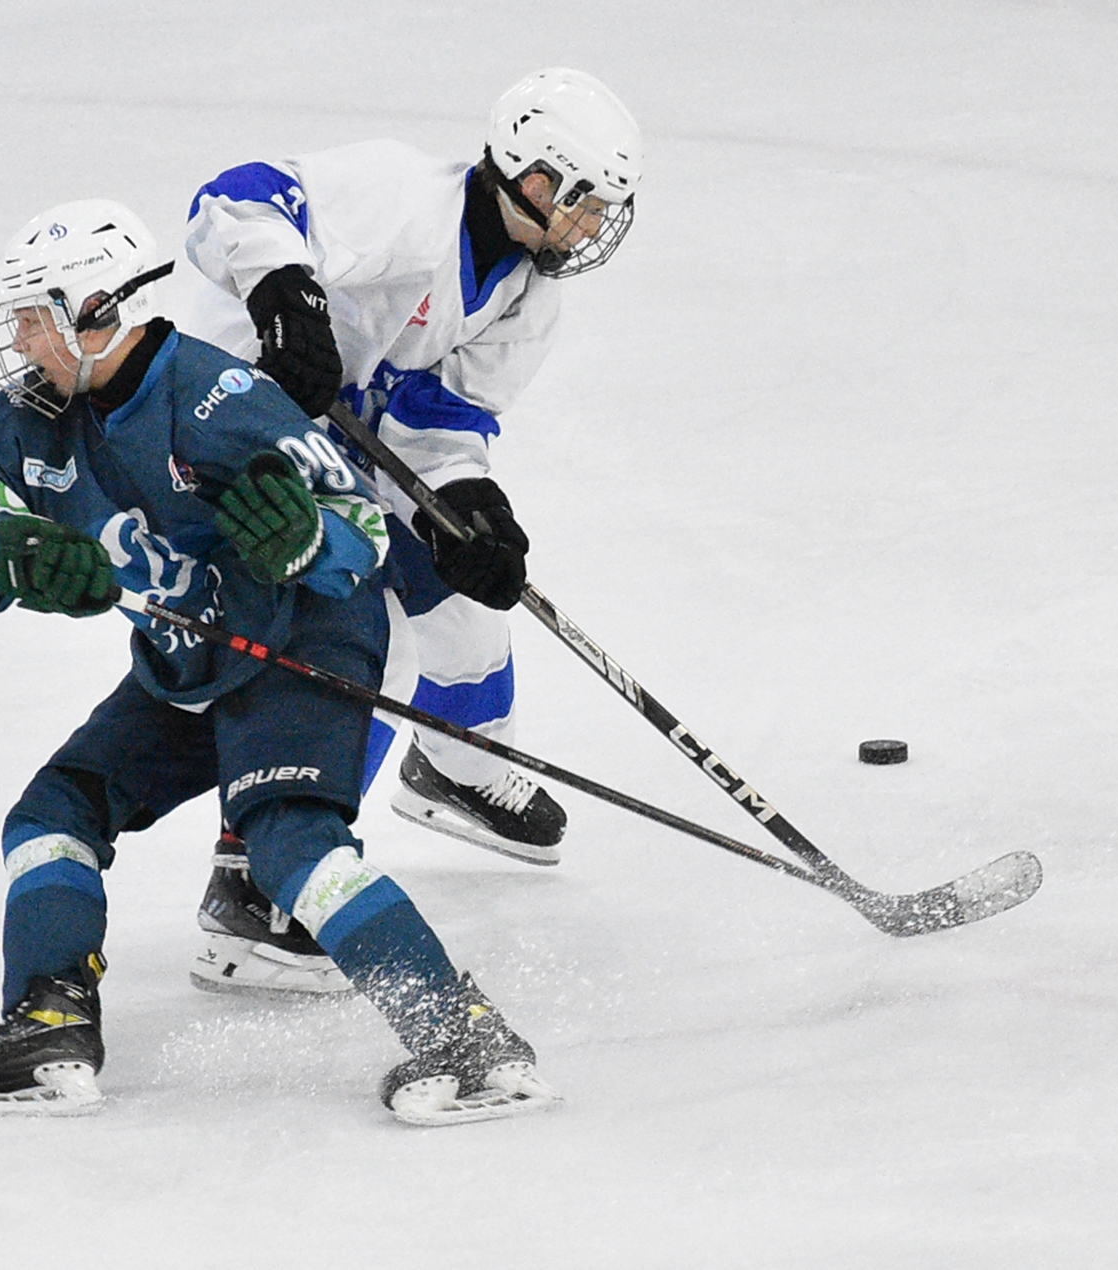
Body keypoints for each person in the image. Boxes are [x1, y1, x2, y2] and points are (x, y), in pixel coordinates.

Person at [0, 198, 558, 1125]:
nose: (17, 340)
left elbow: (360, 525)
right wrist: (14, 556)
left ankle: (464, 1035)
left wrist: (307, 540)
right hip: (188, 655)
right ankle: (50, 1016)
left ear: (102, 316)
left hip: (303, 644)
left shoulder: (220, 400)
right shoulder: (24, 423)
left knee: (291, 839)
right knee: (54, 812)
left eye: (35, 317)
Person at [178, 68, 644, 995]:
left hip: (345, 453)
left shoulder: (527, 299)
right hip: (240, 431)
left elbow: (435, 428)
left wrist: (471, 506)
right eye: (586, 203)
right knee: (366, 644)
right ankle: (255, 886)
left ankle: (454, 768)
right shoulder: (401, 200)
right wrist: (285, 292)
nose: (593, 228)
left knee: (467, 620)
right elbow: (231, 198)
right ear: (534, 177)